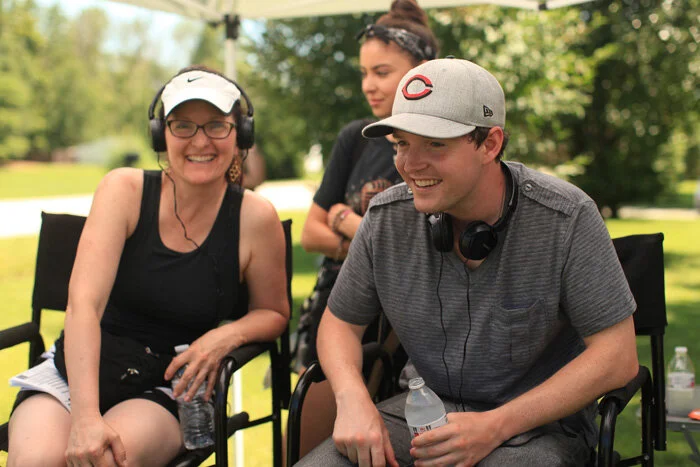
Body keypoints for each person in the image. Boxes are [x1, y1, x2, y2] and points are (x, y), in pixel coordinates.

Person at [297, 58, 639, 466]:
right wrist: (352, 398)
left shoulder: (567, 218)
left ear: (490, 144)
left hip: (537, 428)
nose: (409, 164)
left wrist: (495, 425)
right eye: (401, 144)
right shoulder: (385, 218)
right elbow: (339, 325)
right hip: (421, 415)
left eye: (434, 144)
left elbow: (617, 357)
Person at [8, 65, 290, 467]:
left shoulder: (255, 218)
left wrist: (223, 337)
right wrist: (85, 419)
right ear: (161, 134)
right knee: (35, 461)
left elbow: (274, 312)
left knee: (106, 461)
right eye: (183, 126)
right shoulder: (122, 190)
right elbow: (84, 305)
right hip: (77, 372)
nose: (200, 141)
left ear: (240, 134)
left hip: (168, 386)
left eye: (216, 125)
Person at [294, 0, 438, 456]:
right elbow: (309, 234)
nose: (368, 85)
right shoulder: (356, 138)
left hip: (409, 325)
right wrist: (373, 244)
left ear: (421, 71)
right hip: (339, 307)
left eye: (382, 72)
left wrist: (345, 219)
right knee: (306, 448)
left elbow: (426, 246)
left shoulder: (442, 143)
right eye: (363, 73)